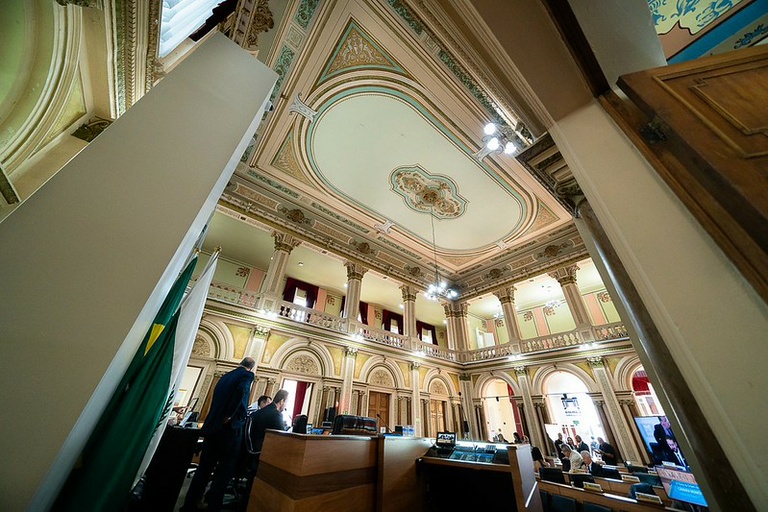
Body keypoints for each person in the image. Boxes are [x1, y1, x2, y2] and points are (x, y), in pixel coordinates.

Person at [181, 357, 255, 512]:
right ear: (250, 368)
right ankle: (213, 505)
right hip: (229, 430)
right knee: (224, 471)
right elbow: (242, 393)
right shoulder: (246, 376)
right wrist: (230, 414)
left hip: (212, 428)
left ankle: (190, 504)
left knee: (204, 469)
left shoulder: (225, 377)